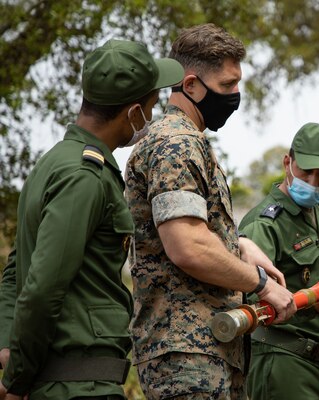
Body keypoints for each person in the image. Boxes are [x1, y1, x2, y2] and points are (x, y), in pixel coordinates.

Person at [0, 39, 184, 400]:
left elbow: (14, 272)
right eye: (150, 106)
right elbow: (42, 285)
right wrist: (17, 376)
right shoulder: (85, 176)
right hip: (78, 386)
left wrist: (8, 345)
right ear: (133, 112)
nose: (151, 116)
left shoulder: (54, 163)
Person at [124, 24, 296, 400]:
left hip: (208, 346)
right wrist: (261, 285)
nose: (235, 95)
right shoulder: (177, 144)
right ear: (190, 85)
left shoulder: (189, 141)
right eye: (227, 85)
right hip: (187, 355)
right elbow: (187, 246)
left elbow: (192, 230)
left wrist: (238, 245)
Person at [238, 122, 319, 400]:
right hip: (282, 361)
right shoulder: (264, 224)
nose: (313, 182)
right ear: (287, 162)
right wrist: (315, 305)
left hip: (318, 363)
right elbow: (253, 306)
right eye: (306, 171)